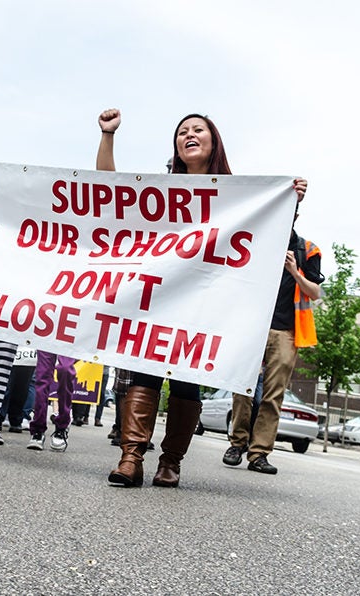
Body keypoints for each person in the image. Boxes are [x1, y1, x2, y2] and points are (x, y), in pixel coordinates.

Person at [97, 108, 307, 487]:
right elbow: (109, 191)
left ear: (214, 142)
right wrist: (108, 136)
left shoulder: (239, 194)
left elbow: (264, 239)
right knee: (146, 370)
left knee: (186, 378)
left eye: (198, 130)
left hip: (206, 304)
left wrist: (290, 203)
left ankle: (171, 462)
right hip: (160, 296)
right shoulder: (162, 188)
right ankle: (131, 457)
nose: (188, 135)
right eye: (182, 132)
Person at [223, 214, 322, 474]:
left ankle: (259, 454)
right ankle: (237, 444)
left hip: (286, 331)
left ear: (296, 215)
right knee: (241, 387)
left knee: (273, 394)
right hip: (252, 328)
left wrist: (294, 271)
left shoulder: (308, 250)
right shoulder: (257, 242)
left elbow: (314, 292)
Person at [26, 351, 76, 452]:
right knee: (42, 375)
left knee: (65, 370)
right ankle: (37, 428)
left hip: (70, 337)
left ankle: (62, 426)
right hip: (47, 337)